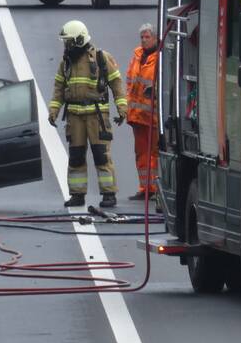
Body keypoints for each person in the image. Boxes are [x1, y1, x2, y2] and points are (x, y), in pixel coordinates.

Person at [48, 20, 128, 209]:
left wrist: (122, 109)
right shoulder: (65, 63)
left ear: (79, 40)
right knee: (76, 157)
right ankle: (77, 195)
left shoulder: (101, 58)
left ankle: (109, 194)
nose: (66, 46)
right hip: (75, 118)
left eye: (69, 42)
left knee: (101, 155)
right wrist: (53, 111)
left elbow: (116, 84)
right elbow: (59, 88)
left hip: (96, 117)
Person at [125, 23, 159, 204]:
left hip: (153, 117)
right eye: (142, 37)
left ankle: (156, 188)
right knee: (141, 153)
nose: (144, 40)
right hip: (138, 116)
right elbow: (130, 81)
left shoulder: (160, 57)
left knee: (155, 153)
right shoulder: (137, 56)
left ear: (155, 38)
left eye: (148, 37)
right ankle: (145, 188)